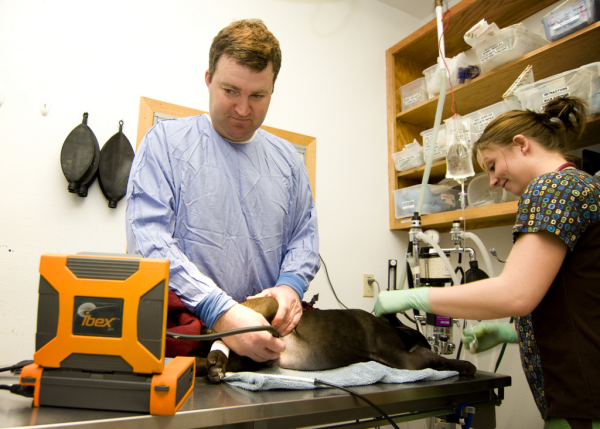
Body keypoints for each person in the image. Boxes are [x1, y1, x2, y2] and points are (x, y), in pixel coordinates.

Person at [375, 96, 600, 429]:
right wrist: (512, 332)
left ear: (521, 144)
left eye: (492, 165)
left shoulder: (552, 188)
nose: (492, 181)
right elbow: (576, 300)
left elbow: (515, 294)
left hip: (582, 395)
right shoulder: (583, 184)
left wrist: (413, 296)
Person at [125, 19, 320, 363]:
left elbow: (304, 237)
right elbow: (150, 240)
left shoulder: (288, 161)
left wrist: (291, 285)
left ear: (272, 90)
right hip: (183, 343)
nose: (243, 109)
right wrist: (220, 311)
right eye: (230, 91)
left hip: (267, 343)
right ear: (208, 79)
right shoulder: (165, 145)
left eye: (258, 95)